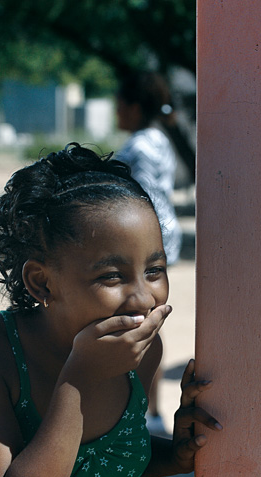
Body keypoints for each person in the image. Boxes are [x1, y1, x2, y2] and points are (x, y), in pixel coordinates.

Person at [0, 143, 221, 477]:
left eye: (155, 270)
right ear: (42, 283)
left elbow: (101, 461)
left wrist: (174, 455)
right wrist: (78, 380)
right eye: (112, 276)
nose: (144, 298)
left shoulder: (142, 353)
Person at [115, 71, 183, 434]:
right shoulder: (161, 139)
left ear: (134, 107)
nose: (116, 113)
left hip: (144, 241)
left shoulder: (140, 145)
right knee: (150, 323)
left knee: (143, 326)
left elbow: (139, 201)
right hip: (162, 237)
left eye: (119, 105)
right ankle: (151, 412)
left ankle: (146, 413)